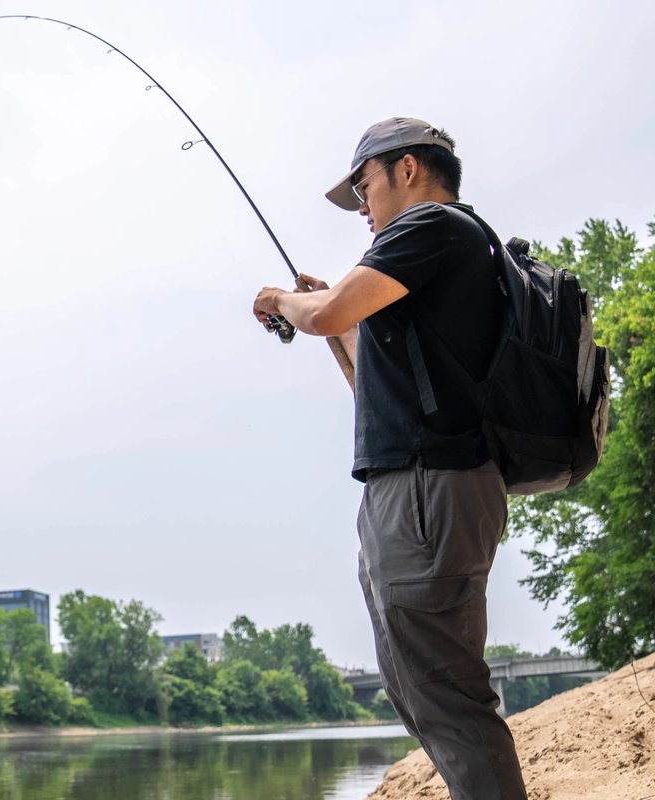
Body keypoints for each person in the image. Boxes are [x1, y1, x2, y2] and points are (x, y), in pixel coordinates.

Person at [252, 117, 527, 800]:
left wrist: (286, 300)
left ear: (407, 170)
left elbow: (325, 312)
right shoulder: (438, 252)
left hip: (429, 489)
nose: (363, 210)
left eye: (364, 186)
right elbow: (368, 379)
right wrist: (331, 317)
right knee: (418, 687)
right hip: (414, 485)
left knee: (445, 693)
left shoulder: (429, 228)